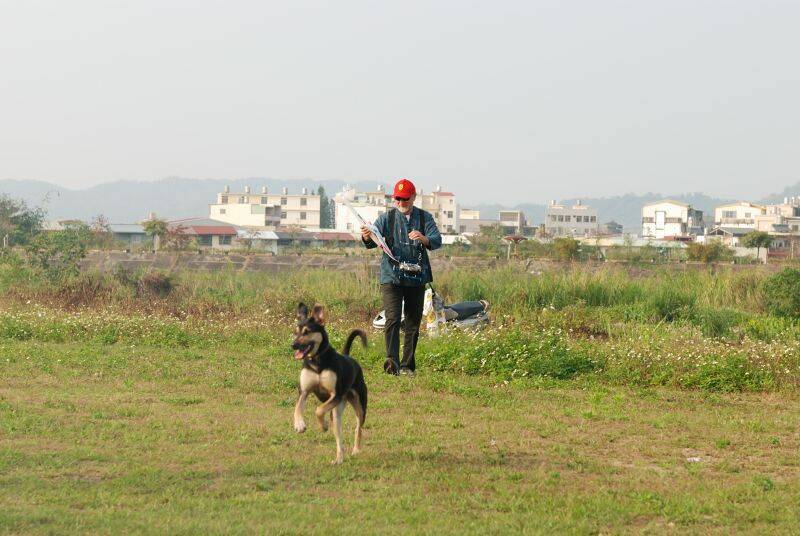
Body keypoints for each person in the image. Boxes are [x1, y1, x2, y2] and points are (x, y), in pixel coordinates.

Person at [361, 178, 442, 375]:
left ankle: (407, 366)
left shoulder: (425, 219)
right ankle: (392, 363)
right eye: (397, 199)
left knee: (413, 322)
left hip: (417, 277)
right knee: (393, 319)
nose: (401, 203)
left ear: (413, 198)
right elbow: (372, 240)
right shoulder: (386, 218)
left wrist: (423, 238)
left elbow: (437, 240)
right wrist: (365, 235)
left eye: (405, 199)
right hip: (392, 277)